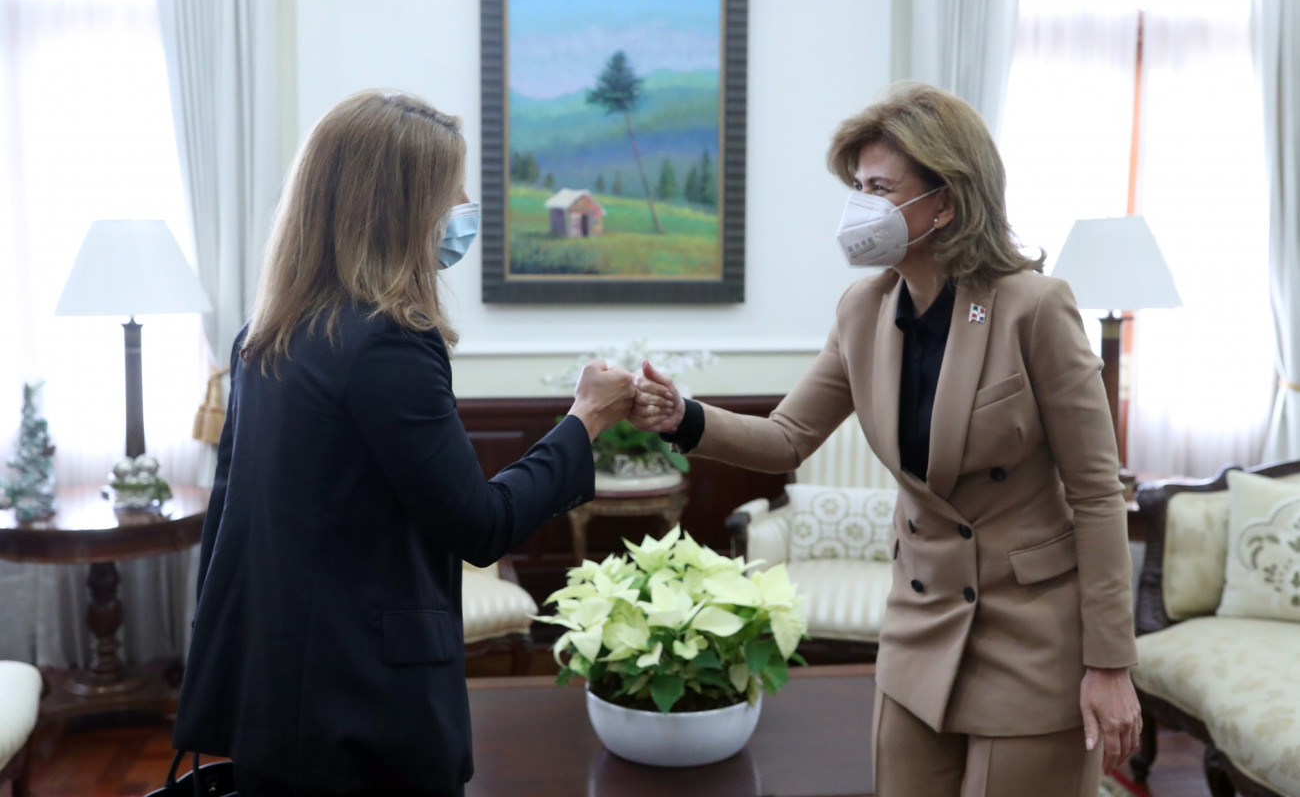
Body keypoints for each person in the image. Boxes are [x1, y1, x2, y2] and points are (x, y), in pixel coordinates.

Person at [631, 82, 1141, 796]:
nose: (860, 206)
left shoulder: (1034, 307)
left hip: (1032, 635)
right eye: (857, 187)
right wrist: (682, 416)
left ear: (945, 203)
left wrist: (1110, 663)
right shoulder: (863, 309)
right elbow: (786, 438)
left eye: (879, 188)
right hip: (920, 624)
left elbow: (1096, 493)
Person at [172, 90, 635, 797]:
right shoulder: (388, 341)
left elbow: (232, 520)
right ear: (398, 207)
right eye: (452, 192)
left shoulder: (263, 336)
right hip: (362, 707)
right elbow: (481, 525)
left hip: (273, 689)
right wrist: (585, 419)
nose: (466, 208)